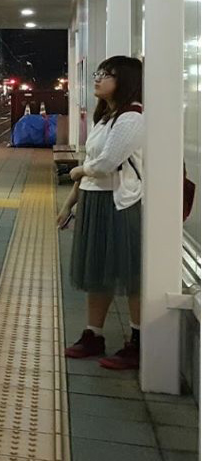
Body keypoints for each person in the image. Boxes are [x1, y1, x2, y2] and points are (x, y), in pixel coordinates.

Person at [58, 56, 144, 370]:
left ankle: (139, 340)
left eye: (106, 75)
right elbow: (94, 166)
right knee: (98, 271)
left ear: (125, 81)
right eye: (98, 73)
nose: (98, 79)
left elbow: (105, 164)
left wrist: (79, 170)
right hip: (95, 200)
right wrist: (70, 202)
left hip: (120, 203)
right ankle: (93, 334)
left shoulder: (132, 117)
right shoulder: (107, 117)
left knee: (130, 272)